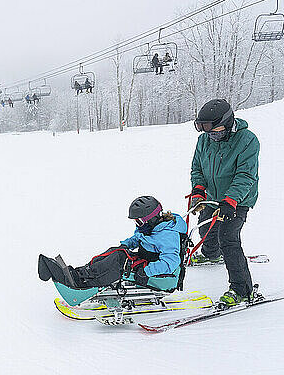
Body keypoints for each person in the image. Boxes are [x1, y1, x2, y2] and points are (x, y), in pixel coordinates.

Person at [189, 98, 260, 306]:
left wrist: (230, 201)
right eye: (207, 132)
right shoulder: (204, 140)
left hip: (238, 199)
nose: (212, 136)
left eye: (216, 131)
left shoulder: (247, 140)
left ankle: (242, 289)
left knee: (227, 237)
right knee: (206, 232)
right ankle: (211, 255)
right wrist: (198, 190)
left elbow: (246, 175)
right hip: (212, 197)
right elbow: (197, 168)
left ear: (228, 123)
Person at [38, 196, 187, 292]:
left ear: (151, 218)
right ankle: (78, 274)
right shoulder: (152, 226)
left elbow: (171, 262)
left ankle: (82, 284)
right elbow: (139, 237)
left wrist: (146, 271)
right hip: (147, 262)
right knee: (116, 252)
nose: (137, 224)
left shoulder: (168, 235)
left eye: (139, 221)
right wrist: (126, 244)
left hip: (161, 276)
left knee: (118, 262)